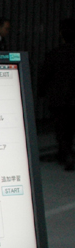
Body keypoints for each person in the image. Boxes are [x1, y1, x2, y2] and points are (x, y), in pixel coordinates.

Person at [39, 18, 75, 171]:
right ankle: (65, 153)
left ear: (61, 34)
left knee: (60, 129)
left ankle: (66, 155)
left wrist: (41, 91)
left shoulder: (54, 54)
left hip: (58, 98)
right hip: (73, 99)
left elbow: (45, 75)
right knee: (70, 129)